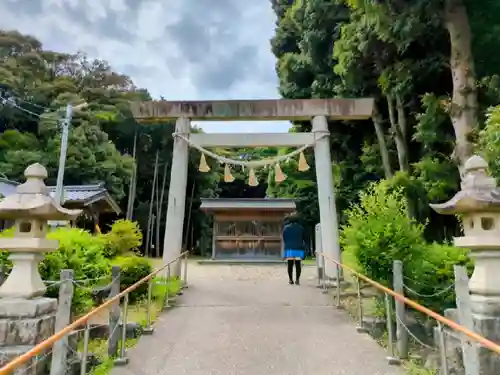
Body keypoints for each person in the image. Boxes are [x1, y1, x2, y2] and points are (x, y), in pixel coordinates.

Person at [282, 213, 306, 285]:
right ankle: (297, 280)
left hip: (289, 248)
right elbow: (304, 238)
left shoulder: (286, 228)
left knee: (290, 265)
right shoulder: (301, 228)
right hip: (299, 248)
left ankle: (290, 279)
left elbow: (284, 238)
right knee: (298, 265)